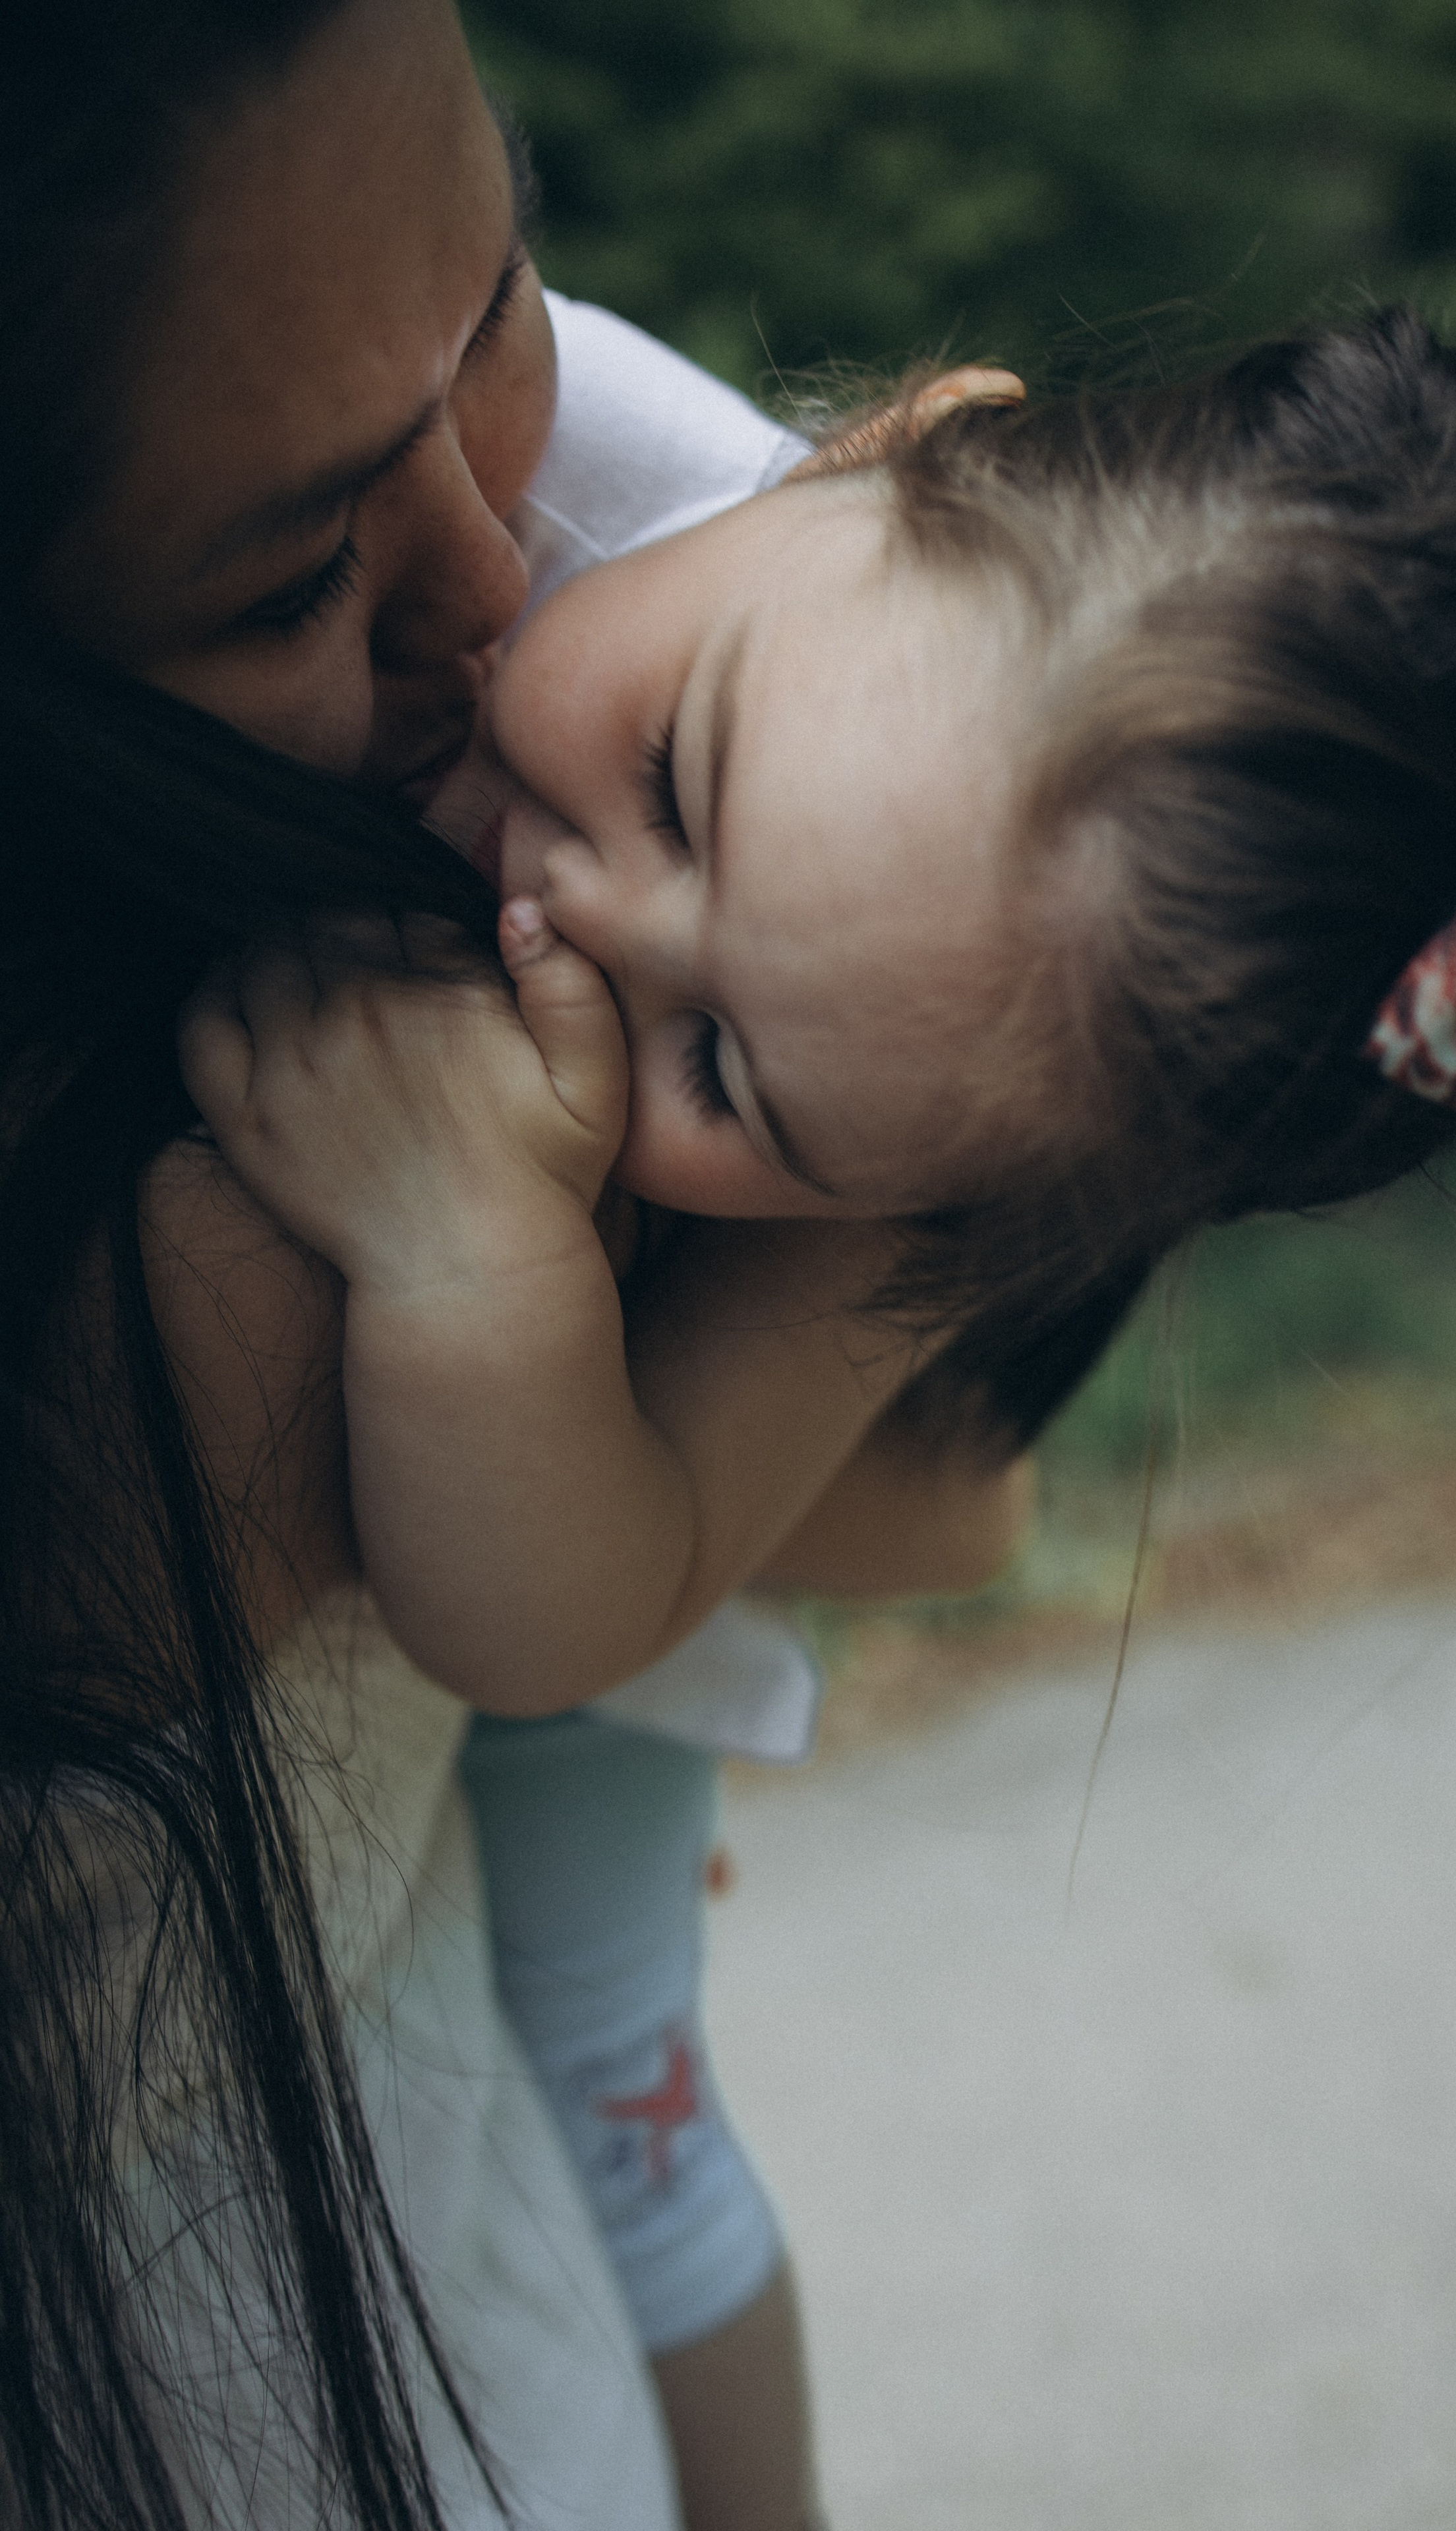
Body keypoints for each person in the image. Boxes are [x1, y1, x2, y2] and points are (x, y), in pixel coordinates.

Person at [182, 285, 1456, 2513]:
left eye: (722, 1071)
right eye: (675, 778)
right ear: (885, 444)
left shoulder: (932, 1147)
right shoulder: (527, 425)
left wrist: (470, 1267)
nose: (573, 920)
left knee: (617, 2075)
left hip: (646, 1502)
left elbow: (588, 1602)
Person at [5, 1, 1021, 2525]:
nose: (495, 581)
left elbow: (949, 1480)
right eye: (292, 581)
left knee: (639, 2099)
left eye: (506, 305)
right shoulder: (199, 1282)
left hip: (456, 2268)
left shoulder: (609, 485)